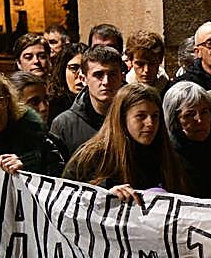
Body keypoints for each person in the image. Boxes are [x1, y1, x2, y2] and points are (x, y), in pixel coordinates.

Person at [63, 84, 191, 201]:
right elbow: (66, 199)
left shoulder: (167, 156)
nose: (150, 123)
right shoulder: (93, 156)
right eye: (141, 116)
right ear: (122, 118)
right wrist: (103, 196)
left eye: (155, 116)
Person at [49, 45, 125, 156]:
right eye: (98, 75)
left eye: (112, 74)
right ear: (83, 79)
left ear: (122, 77)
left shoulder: (134, 118)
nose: (106, 82)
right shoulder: (64, 125)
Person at [124, 30, 170, 95]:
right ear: (131, 61)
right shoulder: (122, 91)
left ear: (160, 60)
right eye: (140, 64)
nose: (146, 70)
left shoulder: (170, 90)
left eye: (152, 64)